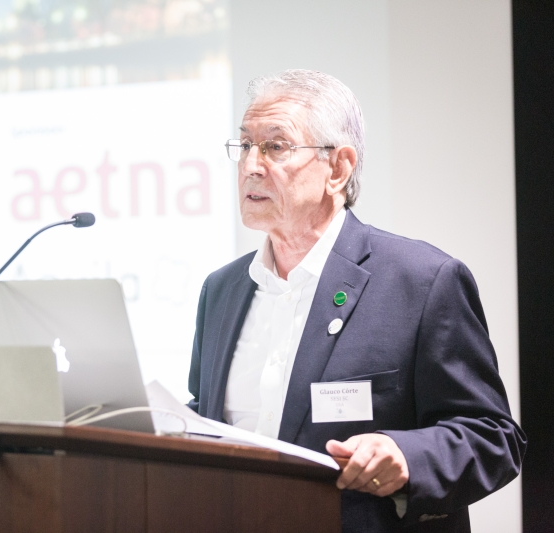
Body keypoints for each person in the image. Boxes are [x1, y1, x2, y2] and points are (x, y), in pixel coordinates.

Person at [187, 69, 525, 532]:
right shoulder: (221, 290)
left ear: (339, 168)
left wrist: (406, 456)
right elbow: (206, 418)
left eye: (276, 146)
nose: (251, 165)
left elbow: (493, 438)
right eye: (245, 145)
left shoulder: (423, 282)